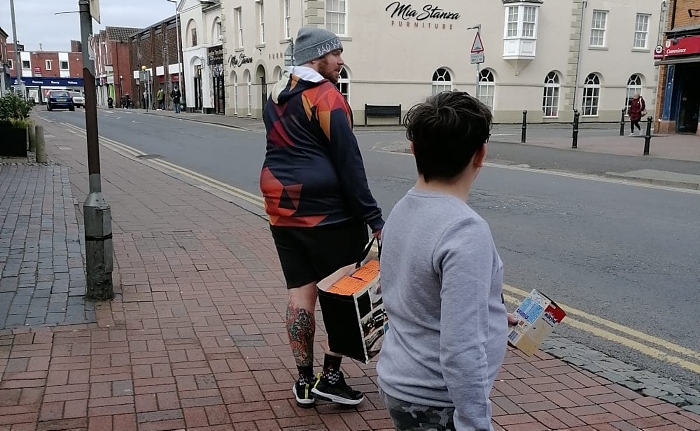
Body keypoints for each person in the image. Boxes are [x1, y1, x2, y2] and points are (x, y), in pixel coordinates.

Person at [259, 26, 384, 408]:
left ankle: (303, 380)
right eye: (336, 54)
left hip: (281, 207)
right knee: (339, 293)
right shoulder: (326, 96)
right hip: (326, 212)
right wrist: (374, 219)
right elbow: (349, 162)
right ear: (317, 58)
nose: (341, 61)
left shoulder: (275, 95)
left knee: (300, 293)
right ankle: (330, 377)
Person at [377, 92, 514, 431]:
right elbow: (460, 349)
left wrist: (488, 313)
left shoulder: (401, 210)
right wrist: (475, 423)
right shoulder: (465, 230)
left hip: (401, 380)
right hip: (436, 400)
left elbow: (414, 296)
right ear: (480, 154)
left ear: (413, 151)